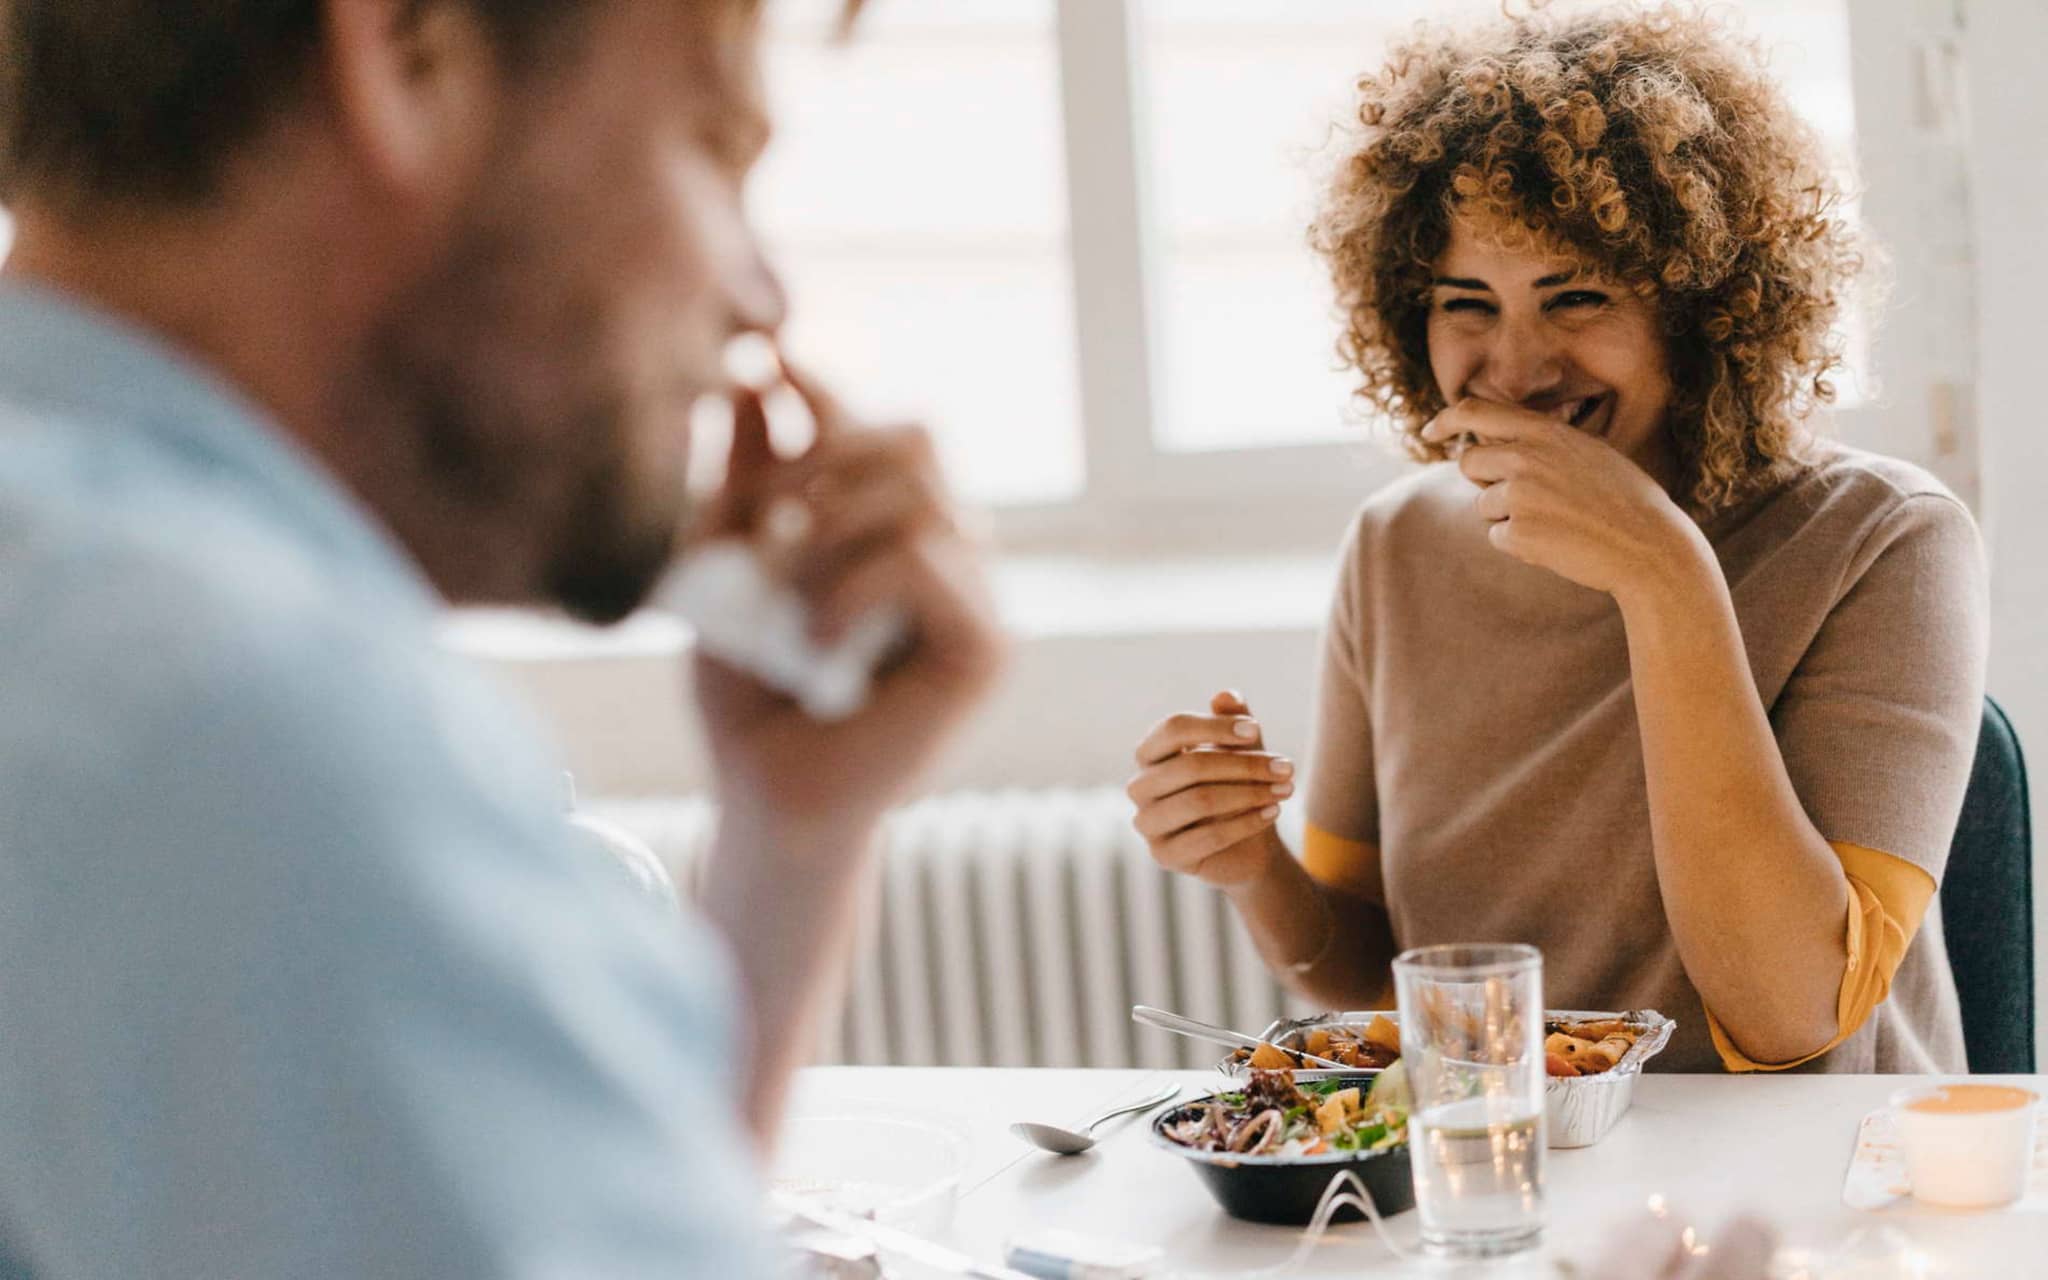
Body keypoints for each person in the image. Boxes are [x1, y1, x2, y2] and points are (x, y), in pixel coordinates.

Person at [0, 0, 1002, 1273]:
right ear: (410, 51)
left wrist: (790, 845)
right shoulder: (251, 731)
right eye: (712, 142)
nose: (759, 295)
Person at [1127, 3, 1986, 1075]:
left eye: (1574, 295)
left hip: (1811, 1195)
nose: (1518, 370)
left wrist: (1662, 572)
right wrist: (1250, 858)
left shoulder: (1882, 541)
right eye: (1465, 302)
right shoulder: (1396, 549)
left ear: (1703, 310)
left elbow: (1795, 1011)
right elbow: (1368, 969)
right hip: (1508, 1175)